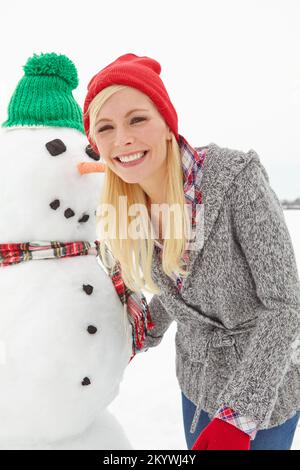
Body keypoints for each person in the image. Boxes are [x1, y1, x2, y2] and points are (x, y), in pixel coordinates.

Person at [83, 53, 300, 450]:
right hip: (196, 383)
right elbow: (177, 288)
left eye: (137, 119)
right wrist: (138, 335)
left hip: (263, 392)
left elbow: (285, 306)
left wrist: (239, 419)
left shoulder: (235, 178)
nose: (122, 139)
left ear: (167, 123)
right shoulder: (129, 205)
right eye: (105, 127)